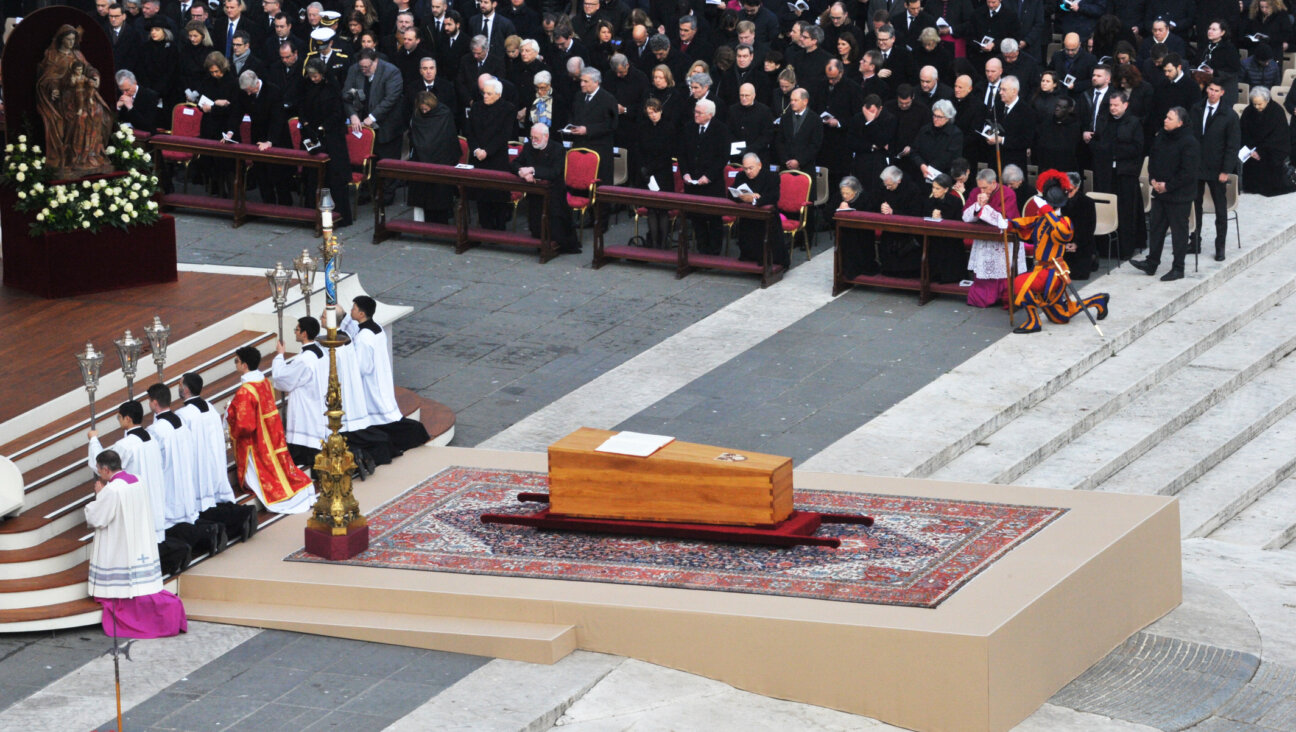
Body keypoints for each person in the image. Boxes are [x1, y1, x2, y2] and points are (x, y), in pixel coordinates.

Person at [86, 450, 187, 639]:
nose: (99, 474)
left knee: (124, 586)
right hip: (138, 535)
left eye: (99, 470)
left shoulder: (112, 490)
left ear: (106, 470)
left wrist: (99, 495)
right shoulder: (137, 480)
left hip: (121, 540)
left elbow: (98, 517)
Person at [1004, 170, 1111, 334]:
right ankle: (1098, 300)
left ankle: (1033, 322)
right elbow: (1024, 223)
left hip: (1052, 272)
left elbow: (1064, 234)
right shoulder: (1043, 218)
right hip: (1042, 270)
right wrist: (1006, 223)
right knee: (1061, 317)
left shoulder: (1063, 221)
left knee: (1019, 283)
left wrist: (1047, 211)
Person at [228, 346, 316, 513]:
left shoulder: (245, 392)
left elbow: (245, 426)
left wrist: (231, 418)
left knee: (268, 474)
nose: (236, 364)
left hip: (257, 441)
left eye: (237, 361)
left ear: (244, 365)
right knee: (280, 467)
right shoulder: (265, 382)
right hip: (272, 433)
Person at [338, 297, 429, 452]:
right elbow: (355, 328)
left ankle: (410, 436)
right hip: (381, 379)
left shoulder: (363, 338)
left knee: (382, 420)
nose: (352, 310)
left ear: (361, 313)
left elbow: (362, 368)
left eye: (354, 308)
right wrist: (343, 313)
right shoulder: (376, 328)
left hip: (371, 384)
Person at [1132, 107, 1201, 281]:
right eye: (1166, 117)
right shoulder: (1161, 136)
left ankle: (1178, 268)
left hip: (1179, 196)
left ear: (1180, 123)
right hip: (1160, 191)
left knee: (1179, 232)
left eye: (1170, 118)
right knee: (1156, 228)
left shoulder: (1189, 142)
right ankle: (1151, 262)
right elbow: (1152, 159)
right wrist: (1153, 180)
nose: (1165, 120)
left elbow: (1188, 172)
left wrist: (1168, 186)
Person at [37, 26, 115, 177]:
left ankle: (90, 155)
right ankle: (75, 156)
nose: (71, 42)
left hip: (83, 94)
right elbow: (47, 78)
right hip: (64, 98)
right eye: (68, 39)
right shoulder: (53, 55)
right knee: (80, 117)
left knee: (99, 112)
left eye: (73, 39)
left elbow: (89, 69)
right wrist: (53, 89)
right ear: (61, 39)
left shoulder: (77, 54)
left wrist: (94, 76)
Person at [88, 402, 166, 546]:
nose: (118, 420)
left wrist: (93, 440)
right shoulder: (152, 438)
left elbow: (103, 464)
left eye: (119, 417)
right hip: (155, 496)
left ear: (127, 419)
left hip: (135, 498)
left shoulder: (125, 445)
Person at [299, 58, 353, 226]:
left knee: (333, 178)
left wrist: (324, 127)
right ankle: (312, 214)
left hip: (331, 138)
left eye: (316, 76)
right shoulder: (306, 86)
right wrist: (306, 124)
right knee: (313, 177)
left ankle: (337, 216)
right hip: (312, 134)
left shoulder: (331, 88)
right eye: (311, 76)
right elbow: (301, 107)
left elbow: (338, 113)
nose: (313, 79)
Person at [1190, 81, 1241, 262]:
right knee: (1195, 205)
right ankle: (1195, 240)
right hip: (1196, 166)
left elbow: (1232, 145)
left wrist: (1226, 170)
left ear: (1222, 92)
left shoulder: (1229, 114)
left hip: (1217, 168)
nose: (1212, 93)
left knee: (1220, 208)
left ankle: (1220, 245)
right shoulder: (1196, 108)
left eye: (1216, 90)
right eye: (1210, 89)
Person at [512, 122, 578, 252]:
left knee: (556, 227)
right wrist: (522, 172)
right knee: (536, 226)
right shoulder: (528, 147)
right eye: (532, 137)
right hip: (535, 193)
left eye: (536, 138)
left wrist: (532, 170)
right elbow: (515, 163)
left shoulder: (558, 149)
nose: (533, 141)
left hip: (554, 193)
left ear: (546, 137)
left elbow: (554, 172)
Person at [962, 168, 1022, 307]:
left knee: (1003, 270)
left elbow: (1003, 220)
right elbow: (966, 215)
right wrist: (978, 205)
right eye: (980, 187)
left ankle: (1005, 296)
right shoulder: (976, 192)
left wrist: (984, 208)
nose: (982, 191)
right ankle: (984, 297)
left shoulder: (1008, 193)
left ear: (994, 183)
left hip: (1004, 239)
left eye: (985, 187)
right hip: (984, 238)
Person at [272, 317, 328, 467]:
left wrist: (279, 356)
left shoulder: (304, 359)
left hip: (306, 407)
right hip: (318, 401)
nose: (295, 333)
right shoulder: (321, 352)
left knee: (306, 450)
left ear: (304, 334)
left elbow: (282, 379)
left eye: (296, 330)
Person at [678, 98, 731, 255]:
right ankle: (702, 250)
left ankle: (714, 252)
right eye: (695, 111)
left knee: (714, 219)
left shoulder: (721, 130)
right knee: (697, 218)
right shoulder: (688, 127)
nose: (696, 115)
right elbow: (682, 154)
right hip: (692, 182)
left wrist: (708, 176)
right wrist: (685, 173)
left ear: (710, 115)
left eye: (699, 113)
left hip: (712, 183)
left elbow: (722, 157)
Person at [146, 383, 201, 528]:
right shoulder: (180, 421)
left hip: (169, 479)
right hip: (184, 475)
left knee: (173, 524)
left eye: (149, 400)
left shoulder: (155, 430)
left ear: (155, 402)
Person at [466, 75, 515, 229]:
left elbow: (504, 135)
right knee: (481, 196)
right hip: (478, 157)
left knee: (498, 196)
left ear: (498, 95)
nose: (485, 96)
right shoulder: (476, 107)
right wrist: (476, 150)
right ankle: (484, 228)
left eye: (489, 93)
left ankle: (499, 229)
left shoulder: (508, 109)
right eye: (484, 93)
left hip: (496, 158)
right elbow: (470, 131)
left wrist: (487, 151)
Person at [407, 89, 460, 223]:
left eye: (427, 109)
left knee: (439, 197)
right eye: (422, 109)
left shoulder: (444, 114)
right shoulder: (417, 115)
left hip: (441, 161)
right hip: (421, 161)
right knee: (422, 196)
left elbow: (449, 138)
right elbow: (414, 136)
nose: (425, 112)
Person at [728, 152, 781, 266]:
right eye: (745, 168)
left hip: (766, 219)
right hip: (748, 217)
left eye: (751, 168)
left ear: (759, 165)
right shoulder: (741, 176)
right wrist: (742, 198)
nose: (748, 172)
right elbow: (731, 193)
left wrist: (755, 199)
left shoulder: (771, 177)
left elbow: (773, 196)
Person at [1239, 86, 1290, 197]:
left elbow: (1278, 136)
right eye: (1254, 104)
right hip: (1252, 150)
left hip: (1270, 150)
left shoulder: (1277, 112)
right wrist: (1251, 150)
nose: (1257, 107)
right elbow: (1243, 132)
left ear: (1267, 101)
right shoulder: (1248, 111)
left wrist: (1261, 151)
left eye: (1260, 104)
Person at [925, 173, 967, 284]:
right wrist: (931, 216)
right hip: (934, 237)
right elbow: (923, 217)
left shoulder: (956, 202)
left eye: (937, 188)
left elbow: (958, 222)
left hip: (951, 238)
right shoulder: (929, 201)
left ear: (946, 189)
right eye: (933, 188)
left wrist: (942, 219)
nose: (934, 191)